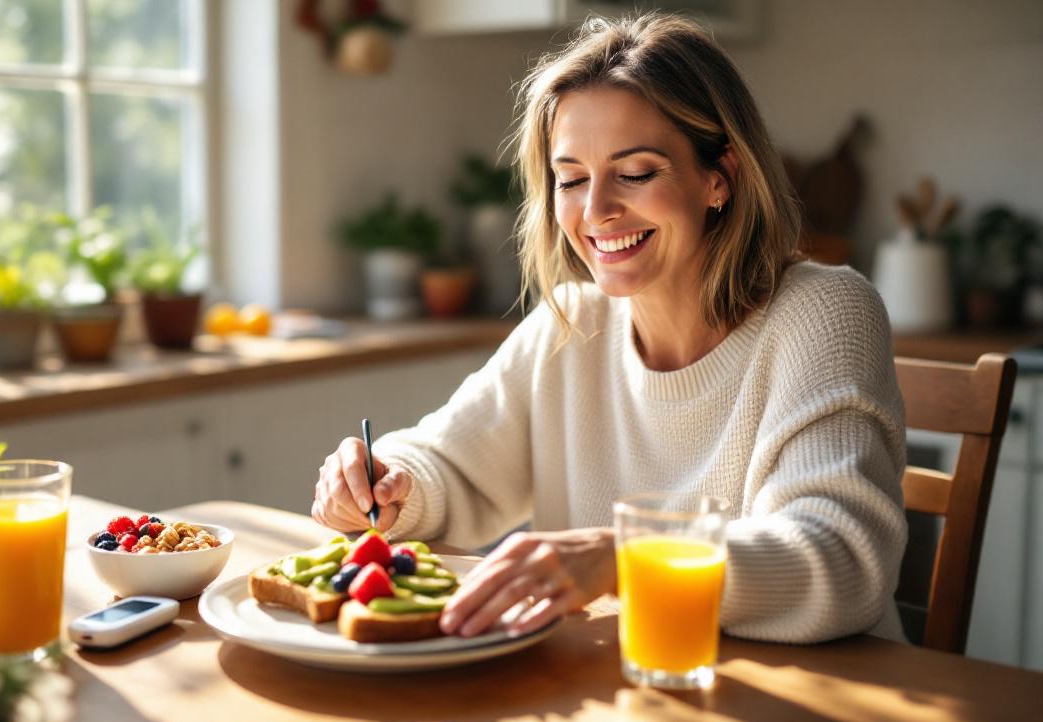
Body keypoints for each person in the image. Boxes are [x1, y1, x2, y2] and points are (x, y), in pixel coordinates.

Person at [312, 12, 908, 644]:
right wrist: (386, 482)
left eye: (636, 172)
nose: (595, 211)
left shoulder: (825, 313)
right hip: (626, 698)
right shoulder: (573, 324)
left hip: (824, 712)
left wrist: (620, 559)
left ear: (720, 178)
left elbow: (842, 561)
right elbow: (448, 465)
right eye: (570, 179)